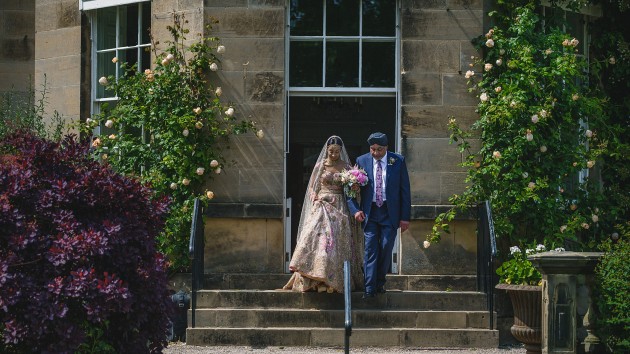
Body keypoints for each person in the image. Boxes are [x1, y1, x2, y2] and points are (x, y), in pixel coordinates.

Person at [283, 136, 364, 293]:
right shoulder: (321, 165)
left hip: (340, 205)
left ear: (341, 151)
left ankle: (332, 280)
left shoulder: (346, 167)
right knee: (318, 237)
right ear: (327, 150)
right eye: (331, 151)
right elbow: (312, 187)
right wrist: (314, 195)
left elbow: (350, 190)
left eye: (337, 152)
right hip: (322, 204)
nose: (334, 155)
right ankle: (314, 277)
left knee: (338, 242)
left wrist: (354, 187)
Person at [347, 132, 411, 299]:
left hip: (390, 213)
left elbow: (405, 191)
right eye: (372, 149)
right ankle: (369, 288)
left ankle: (380, 282)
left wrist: (405, 217)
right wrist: (355, 210)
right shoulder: (362, 161)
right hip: (370, 212)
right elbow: (350, 188)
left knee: (385, 247)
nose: (375, 153)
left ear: (386, 148)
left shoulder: (397, 161)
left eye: (379, 150)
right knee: (370, 250)